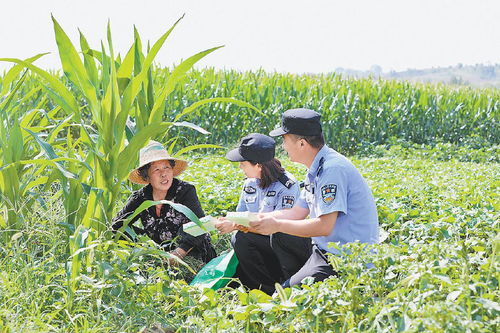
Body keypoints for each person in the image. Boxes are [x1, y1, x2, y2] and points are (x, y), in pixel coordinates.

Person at [249, 108, 379, 287]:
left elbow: (324, 226)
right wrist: (258, 219)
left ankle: (295, 286)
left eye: (285, 140)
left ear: (302, 143)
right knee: (281, 236)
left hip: (346, 258)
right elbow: (297, 212)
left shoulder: (332, 169)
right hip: (324, 249)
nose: (283, 147)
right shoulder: (316, 167)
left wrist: (277, 224)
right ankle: (294, 280)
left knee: (289, 295)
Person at [215, 133, 311, 294]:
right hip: (259, 239)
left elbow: (282, 230)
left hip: (281, 243)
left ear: (259, 165)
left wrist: (236, 225)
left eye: (243, 164)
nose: (240, 168)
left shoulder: (286, 185)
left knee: (244, 237)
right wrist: (226, 221)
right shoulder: (250, 184)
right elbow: (240, 214)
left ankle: (278, 288)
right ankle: (260, 288)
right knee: (240, 238)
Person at [112, 140, 216, 264]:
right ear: (147, 176)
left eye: (166, 167)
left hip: (195, 257)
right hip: (161, 259)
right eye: (156, 170)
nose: (163, 174)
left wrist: (179, 253)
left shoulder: (185, 191)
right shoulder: (141, 197)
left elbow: (201, 225)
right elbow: (117, 225)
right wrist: (142, 244)